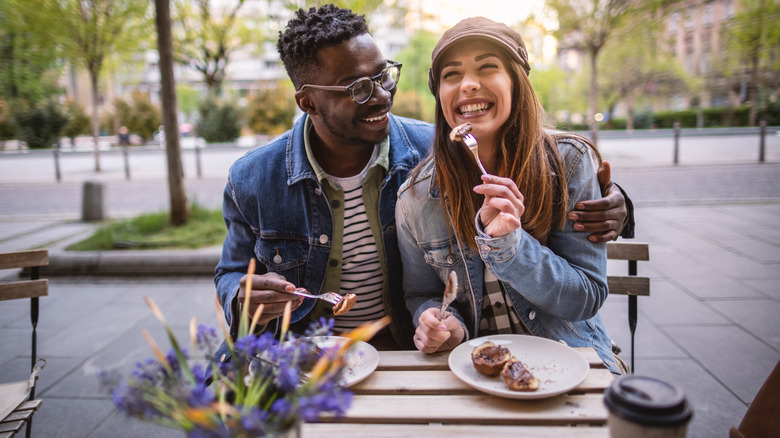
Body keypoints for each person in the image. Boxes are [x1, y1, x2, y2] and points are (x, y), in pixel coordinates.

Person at [214, 6, 630, 352]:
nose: (380, 96)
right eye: (358, 88)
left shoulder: (428, 152)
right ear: (308, 102)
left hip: (399, 351)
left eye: (383, 76)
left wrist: (619, 207)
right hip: (297, 354)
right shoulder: (253, 179)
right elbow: (231, 272)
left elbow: (529, 158)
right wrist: (241, 295)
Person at [395, 16, 625, 372]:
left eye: (488, 67)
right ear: (439, 94)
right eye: (451, 74)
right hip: (476, 371)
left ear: (516, 82)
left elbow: (586, 297)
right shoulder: (416, 197)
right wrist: (440, 323)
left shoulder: (569, 163)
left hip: (570, 360)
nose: (468, 84)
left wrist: (512, 247)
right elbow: (420, 293)